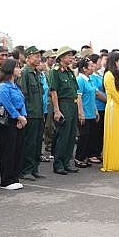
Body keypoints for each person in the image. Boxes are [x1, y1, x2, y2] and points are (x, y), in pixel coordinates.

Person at [0, 59, 26, 190]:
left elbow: (22, 102)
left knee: (17, 149)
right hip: (8, 121)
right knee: (7, 149)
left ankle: (14, 176)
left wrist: (23, 116)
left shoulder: (16, 86)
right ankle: (6, 180)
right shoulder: (3, 86)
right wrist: (18, 116)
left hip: (18, 120)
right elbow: (7, 104)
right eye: (17, 67)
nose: (20, 69)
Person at [48, 46, 79, 175]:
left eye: (71, 55)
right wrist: (57, 110)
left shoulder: (69, 72)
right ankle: (59, 163)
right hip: (63, 104)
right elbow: (53, 92)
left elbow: (75, 90)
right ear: (61, 58)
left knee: (71, 135)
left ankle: (67, 161)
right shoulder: (55, 71)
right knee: (63, 135)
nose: (71, 58)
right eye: (68, 56)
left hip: (72, 104)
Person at [18, 47, 47, 179]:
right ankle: (26, 170)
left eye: (39, 56)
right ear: (28, 57)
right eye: (35, 56)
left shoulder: (37, 73)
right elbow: (23, 95)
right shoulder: (25, 73)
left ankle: (34, 168)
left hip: (39, 113)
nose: (38, 59)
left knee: (37, 143)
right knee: (29, 143)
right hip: (30, 113)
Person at [101, 51, 119, 172]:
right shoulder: (109, 74)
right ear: (114, 62)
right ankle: (113, 162)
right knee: (114, 134)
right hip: (115, 107)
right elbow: (112, 92)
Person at [75, 57, 100, 167]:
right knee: (83, 136)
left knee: (89, 136)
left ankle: (85, 156)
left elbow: (92, 95)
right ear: (84, 68)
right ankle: (78, 158)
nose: (92, 67)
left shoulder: (89, 79)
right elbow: (78, 97)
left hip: (91, 112)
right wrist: (81, 113)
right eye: (90, 66)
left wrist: (95, 110)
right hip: (84, 112)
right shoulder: (80, 80)